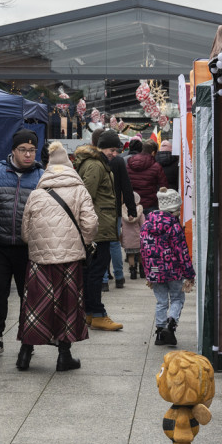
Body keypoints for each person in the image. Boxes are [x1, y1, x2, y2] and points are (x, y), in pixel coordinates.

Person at [17, 142, 98, 371]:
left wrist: (38, 245)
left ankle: (24, 354)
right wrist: (85, 241)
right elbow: (90, 223)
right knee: (68, 304)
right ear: (70, 164)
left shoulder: (36, 193)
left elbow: (25, 232)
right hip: (70, 259)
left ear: (48, 167)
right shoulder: (79, 190)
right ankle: (64, 356)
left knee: (34, 305)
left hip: (39, 260)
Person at [0, 129, 44, 359]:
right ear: (13, 150)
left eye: (32, 150)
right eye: (23, 150)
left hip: (27, 247)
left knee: (29, 295)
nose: (28, 154)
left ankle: (28, 341)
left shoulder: (42, 177)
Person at [74, 134, 123, 331]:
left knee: (91, 272)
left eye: (116, 150)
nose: (114, 154)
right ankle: (98, 313)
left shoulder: (98, 163)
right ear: (101, 148)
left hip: (100, 225)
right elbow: (86, 197)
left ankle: (89, 313)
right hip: (98, 228)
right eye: (111, 150)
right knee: (96, 272)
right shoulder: (95, 165)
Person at [140, 187, 194, 346]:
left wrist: (149, 273)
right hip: (173, 270)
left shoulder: (147, 224)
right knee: (177, 298)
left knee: (161, 301)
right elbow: (182, 251)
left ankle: (159, 333)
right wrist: (189, 273)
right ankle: (171, 325)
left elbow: (144, 250)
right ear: (174, 209)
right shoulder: (174, 226)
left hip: (155, 271)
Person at [95, 129, 136, 291]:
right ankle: (119, 276)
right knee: (114, 244)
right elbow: (127, 186)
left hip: (100, 210)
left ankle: (104, 279)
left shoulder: (97, 162)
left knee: (101, 244)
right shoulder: (118, 162)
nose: (114, 153)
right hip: (115, 209)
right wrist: (131, 208)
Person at [127, 140, 169, 215]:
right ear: (153, 152)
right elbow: (164, 186)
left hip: (133, 203)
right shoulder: (156, 166)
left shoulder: (129, 164)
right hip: (150, 204)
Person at [121, 191, 142, 279]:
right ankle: (142, 271)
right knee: (140, 254)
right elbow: (143, 224)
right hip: (138, 237)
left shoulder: (123, 212)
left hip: (128, 239)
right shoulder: (140, 212)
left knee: (130, 256)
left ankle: (132, 272)